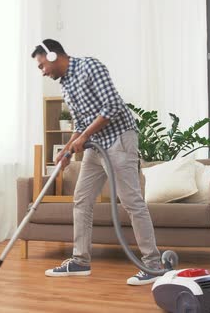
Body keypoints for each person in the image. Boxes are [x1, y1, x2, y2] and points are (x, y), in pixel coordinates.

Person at [31, 39, 163, 286]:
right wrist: (69, 149)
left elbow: (112, 106)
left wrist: (83, 137)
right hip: (96, 145)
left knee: (131, 202)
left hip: (119, 139)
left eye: (41, 66)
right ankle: (80, 260)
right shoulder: (66, 85)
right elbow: (81, 124)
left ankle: (154, 265)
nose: (43, 72)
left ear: (51, 56)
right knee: (81, 199)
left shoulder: (90, 67)